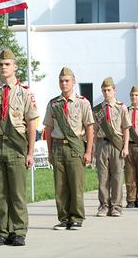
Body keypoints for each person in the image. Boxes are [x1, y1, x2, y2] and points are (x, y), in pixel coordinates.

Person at [0, 49, 38, 246]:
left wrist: (30, 152)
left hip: (16, 146)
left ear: (15, 67)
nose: (3, 67)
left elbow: (31, 124)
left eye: (7, 64)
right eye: (0, 64)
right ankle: (2, 232)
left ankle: (19, 231)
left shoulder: (24, 93)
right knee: (0, 192)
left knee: (17, 192)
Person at [43, 67, 94, 230]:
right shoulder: (53, 104)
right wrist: (49, 151)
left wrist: (88, 151)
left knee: (76, 184)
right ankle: (64, 218)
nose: (64, 84)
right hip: (58, 146)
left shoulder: (82, 102)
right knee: (60, 185)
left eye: (67, 81)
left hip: (75, 146)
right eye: (61, 81)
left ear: (73, 82)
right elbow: (49, 129)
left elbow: (89, 128)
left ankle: (77, 217)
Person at [92, 77, 130, 217]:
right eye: (104, 90)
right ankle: (103, 206)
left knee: (117, 176)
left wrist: (125, 147)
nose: (106, 93)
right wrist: (93, 149)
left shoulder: (121, 107)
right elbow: (94, 131)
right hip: (102, 143)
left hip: (116, 144)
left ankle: (116, 206)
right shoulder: (97, 110)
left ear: (114, 90)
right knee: (102, 177)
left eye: (109, 90)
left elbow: (126, 128)